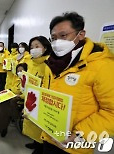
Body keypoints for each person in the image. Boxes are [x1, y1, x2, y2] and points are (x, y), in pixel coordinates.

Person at [41, 12, 114, 154]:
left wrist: (80, 134)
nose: (57, 42)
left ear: (80, 34)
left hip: (76, 146)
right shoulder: (51, 63)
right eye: (53, 38)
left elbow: (111, 112)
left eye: (63, 36)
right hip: (49, 136)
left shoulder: (102, 66)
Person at [22, 36, 52, 154]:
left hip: (41, 99)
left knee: (39, 126)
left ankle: (40, 146)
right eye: (31, 47)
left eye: (37, 46)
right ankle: (35, 142)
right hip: (30, 96)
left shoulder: (48, 64)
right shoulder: (31, 63)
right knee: (31, 124)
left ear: (45, 48)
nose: (33, 49)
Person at [0, 63, 28, 137]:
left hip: (17, 99)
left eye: (21, 71)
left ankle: (2, 127)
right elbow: (10, 86)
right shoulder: (15, 77)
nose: (19, 72)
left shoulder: (27, 81)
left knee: (4, 106)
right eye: (18, 71)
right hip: (10, 94)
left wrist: (20, 96)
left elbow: (27, 94)